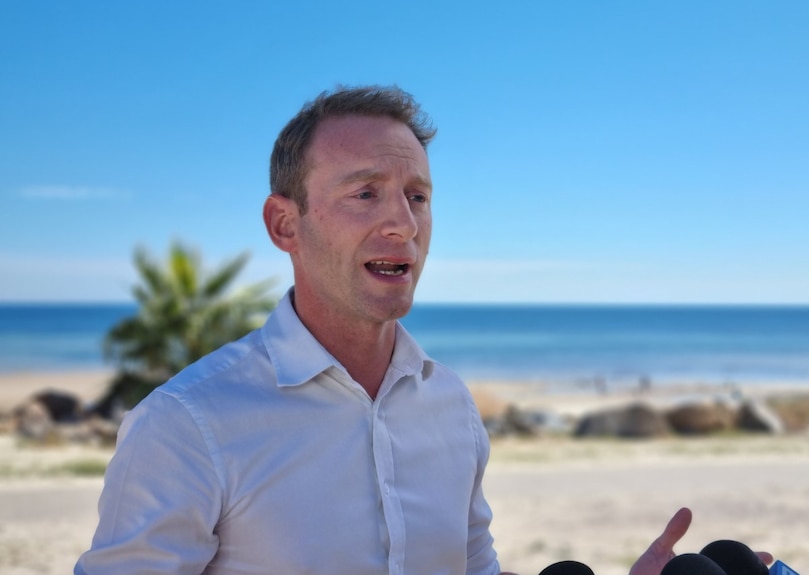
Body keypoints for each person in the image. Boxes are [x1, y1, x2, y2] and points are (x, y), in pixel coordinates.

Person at [75, 85, 767, 575]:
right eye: (365, 191)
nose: (403, 223)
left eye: (418, 196)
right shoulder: (187, 424)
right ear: (286, 224)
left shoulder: (451, 408)